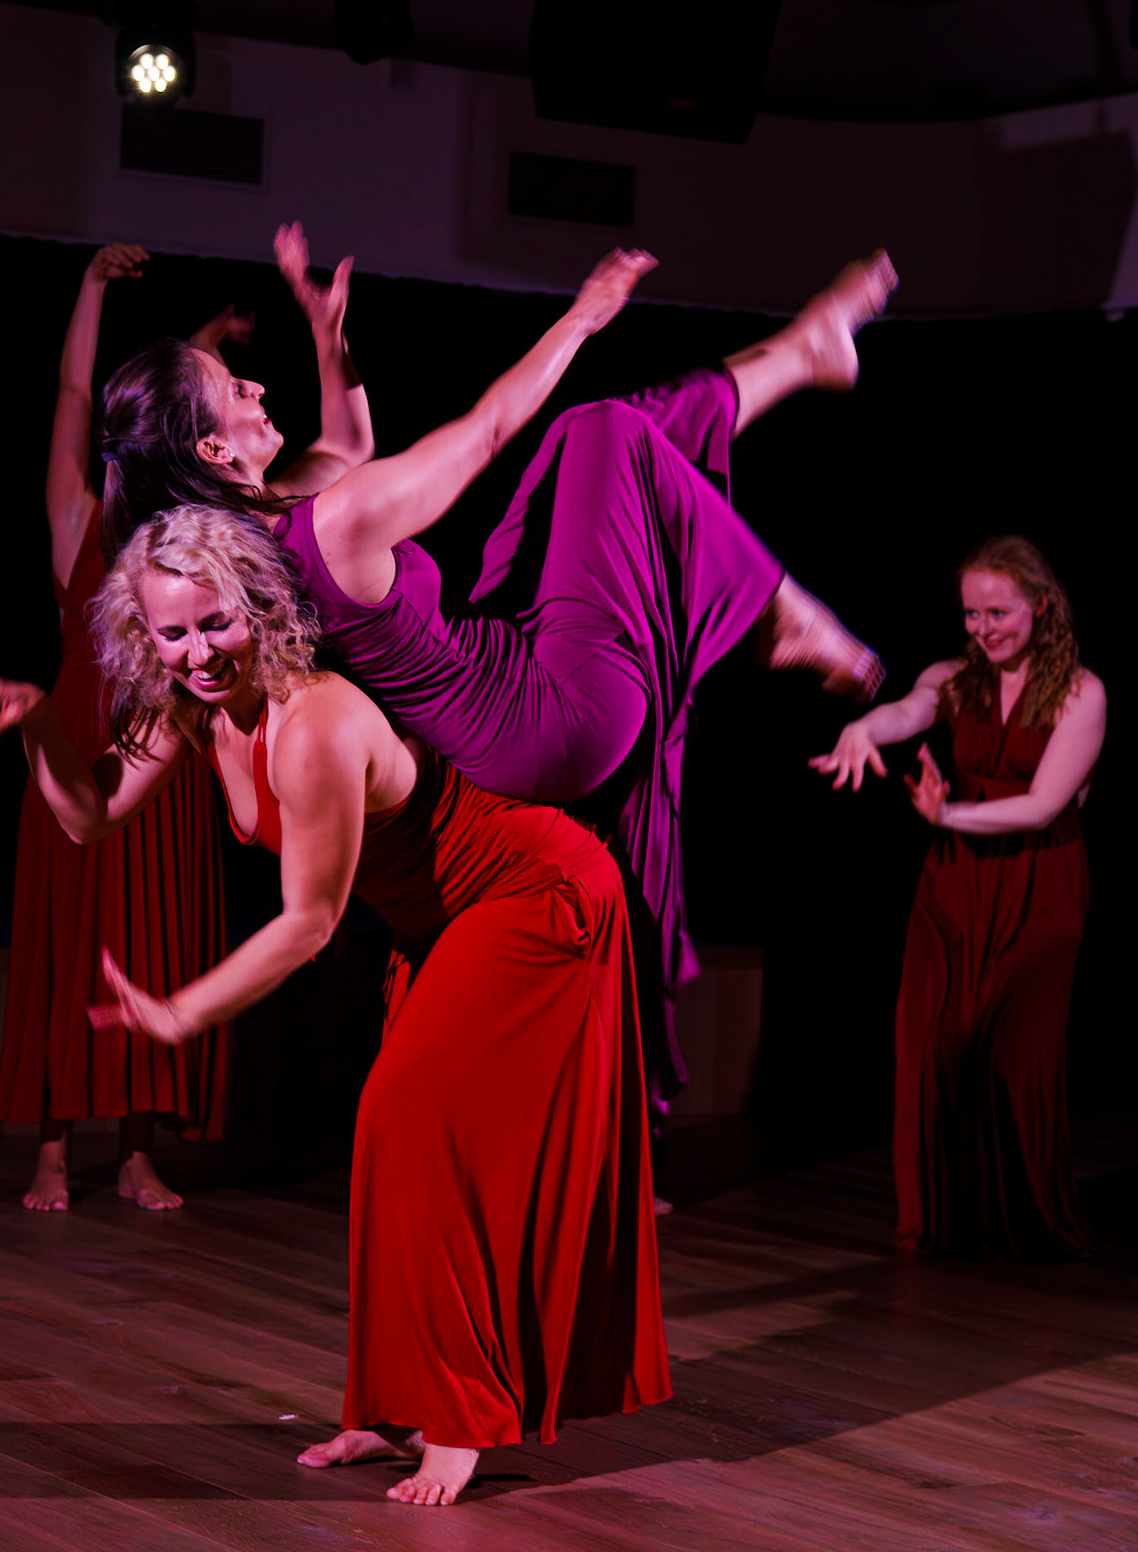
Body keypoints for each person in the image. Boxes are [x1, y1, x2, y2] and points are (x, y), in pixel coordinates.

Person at [0, 503, 670, 1507]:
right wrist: (44, 723)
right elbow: (86, 811)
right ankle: (388, 1402)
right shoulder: (189, 707)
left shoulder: (315, 719)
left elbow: (312, 921)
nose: (196, 650)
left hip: (530, 895)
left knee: (405, 1116)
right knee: (388, 1139)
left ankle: (459, 1419)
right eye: (172, 631)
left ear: (260, 606)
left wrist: (184, 1010)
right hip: (443, 919)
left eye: (215, 622)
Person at [96, 244, 896, 1115]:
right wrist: (583, 314)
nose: (254, 387)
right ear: (214, 444)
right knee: (606, 434)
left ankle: (803, 355)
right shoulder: (336, 523)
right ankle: (779, 614)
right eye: (234, 387)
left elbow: (348, 441)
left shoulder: (244, 553)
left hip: (504, 693)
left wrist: (330, 338)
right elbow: (482, 433)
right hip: (552, 715)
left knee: (615, 445)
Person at [0, 227, 371, 1213]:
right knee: (68, 945)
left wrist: (272, 341)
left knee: (153, 937)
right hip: (96, 730)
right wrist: (87, 287)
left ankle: (135, 1148)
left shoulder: (202, 534)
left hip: (169, 727)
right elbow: (84, 403)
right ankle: (49, 1149)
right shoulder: (85, 524)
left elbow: (251, 442)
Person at [811, 536, 1106, 1257]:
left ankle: (1024, 1217)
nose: (981, 628)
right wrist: (861, 727)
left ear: (1040, 606)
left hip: (1039, 883)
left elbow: (1041, 806)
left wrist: (948, 817)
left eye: (997, 611)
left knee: (1015, 1054)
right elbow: (907, 713)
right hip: (954, 885)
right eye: (970, 614)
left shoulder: (1081, 693)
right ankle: (939, 1217)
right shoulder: (953, 677)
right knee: (934, 1047)